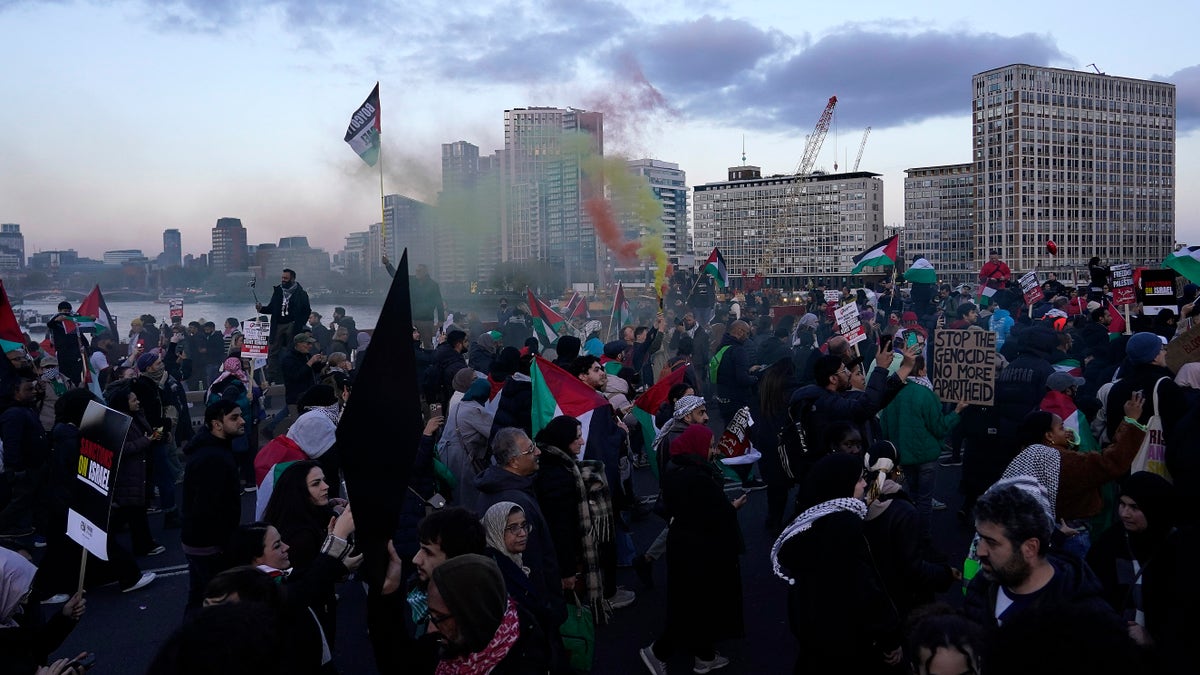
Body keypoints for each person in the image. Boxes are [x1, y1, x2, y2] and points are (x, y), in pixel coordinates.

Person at [770, 453, 902, 673]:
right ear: (841, 485)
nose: (863, 484)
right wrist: (890, 636)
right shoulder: (844, 527)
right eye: (859, 479)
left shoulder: (810, 521)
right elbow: (864, 590)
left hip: (816, 638)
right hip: (849, 642)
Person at [639, 425, 745, 675]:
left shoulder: (678, 468)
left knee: (696, 602)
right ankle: (658, 652)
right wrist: (733, 507)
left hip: (686, 544)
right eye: (709, 446)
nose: (713, 451)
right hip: (700, 549)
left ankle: (703, 655)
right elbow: (710, 515)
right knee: (694, 604)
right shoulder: (697, 477)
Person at [963, 482, 1120, 631]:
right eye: (980, 538)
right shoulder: (981, 589)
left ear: (1030, 548)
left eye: (992, 542)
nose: (980, 551)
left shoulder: (1085, 615)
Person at [474, 428, 567, 629]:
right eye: (530, 449)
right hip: (532, 608)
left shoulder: (501, 488)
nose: (538, 452)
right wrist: (548, 605)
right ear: (514, 462)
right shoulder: (513, 503)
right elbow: (531, 561)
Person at [861, 445, 960, 622]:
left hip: (877, 590)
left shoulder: (861, 499)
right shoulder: (903, 511)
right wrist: (945, 574)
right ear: (896, 470)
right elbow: (913, 568)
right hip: (904, 597)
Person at [879, 355, 967, 542]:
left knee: (908, 495)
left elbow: (884, 429)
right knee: (925, 500)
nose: (927, 371)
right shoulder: (925, 394)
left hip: (901, 456)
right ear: (919, 370)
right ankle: (923, 539)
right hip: (926, 457)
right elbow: (940, 427)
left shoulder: (890, 394)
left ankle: (908, 534)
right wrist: (957, 412)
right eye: (925, 368)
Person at [262, 460, 347, 646]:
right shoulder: (300, 537)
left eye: (323, 480)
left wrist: (329, 507)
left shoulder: (298, 515)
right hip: (312, 615)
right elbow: (314, 579)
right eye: (316, 483)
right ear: (298, 491)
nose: (326, 486)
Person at [426, 554, 551, 674]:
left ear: (471, 616)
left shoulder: (525, 662)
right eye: (431, 615)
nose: (431, 628)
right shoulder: (443, 646)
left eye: (440, 617)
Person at [181, 399, 246, 615]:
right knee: (219, 601)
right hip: (209, 545)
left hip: (201, 542)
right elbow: (207, 508)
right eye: (234, 418)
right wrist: (226, 544)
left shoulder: (215, 450)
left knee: (200, 597)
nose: (242, 421)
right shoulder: (212, 458)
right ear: (216, 424)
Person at [102, 380, 166, 557]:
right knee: (131, 513)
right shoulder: (118, 422)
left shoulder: (137, 416)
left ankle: (144, 543)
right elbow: (122, 449)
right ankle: (140, 545)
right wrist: (147, 440)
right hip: (128, 473)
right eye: (133, 400)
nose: (137, 402)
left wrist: (154, 435)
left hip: (140, 471)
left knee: (136, 512)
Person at [0, 548, 89, 674]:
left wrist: (64, 617)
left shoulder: (11, 618)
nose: (25, 600)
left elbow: (36, 648)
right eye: (22, 591)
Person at [0, 376, 50, 538]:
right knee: (19, 502)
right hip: (24, 468)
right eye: (28, 389)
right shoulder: (13, 414)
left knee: (32, 500)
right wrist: (16, 468)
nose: (33, 392)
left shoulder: (26, 409)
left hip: (35, 466)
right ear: (16, 392)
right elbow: (11, 443)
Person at [256, 268, 312, 383]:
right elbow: (272, 308)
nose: (283, 280)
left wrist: (299, 324)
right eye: (282, 278)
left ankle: (289, 373)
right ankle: (272, 376)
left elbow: (307, 310)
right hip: (278, 324)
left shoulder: (301, 294)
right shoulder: (278, 292)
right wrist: (261, 309)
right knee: (273, 350)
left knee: (291, 349)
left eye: (286, 278)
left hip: (292, 324)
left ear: (293, 278)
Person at [268, 333, 325, 439]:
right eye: (307, 344)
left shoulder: (306, 355)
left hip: (309, 396)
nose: (310, 346)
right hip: (295, 398)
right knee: (299, 427)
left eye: (311, 344)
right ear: (298, 344)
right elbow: (296, 377)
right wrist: (310, 362)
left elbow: (314, 371)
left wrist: (320, 363)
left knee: (311, 426)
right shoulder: (288, 359)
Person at [44, 302, 83, 386]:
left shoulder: (73, 318)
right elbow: (50, 324)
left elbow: (82, 322)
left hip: (75, 350)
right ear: (59, 310)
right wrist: (57, 320)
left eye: (69, 311)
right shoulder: (56, 318)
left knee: (77, 371)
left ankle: (76, 386)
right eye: (65, 311)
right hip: (62, 350)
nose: (67, 313)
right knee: (64, 372)